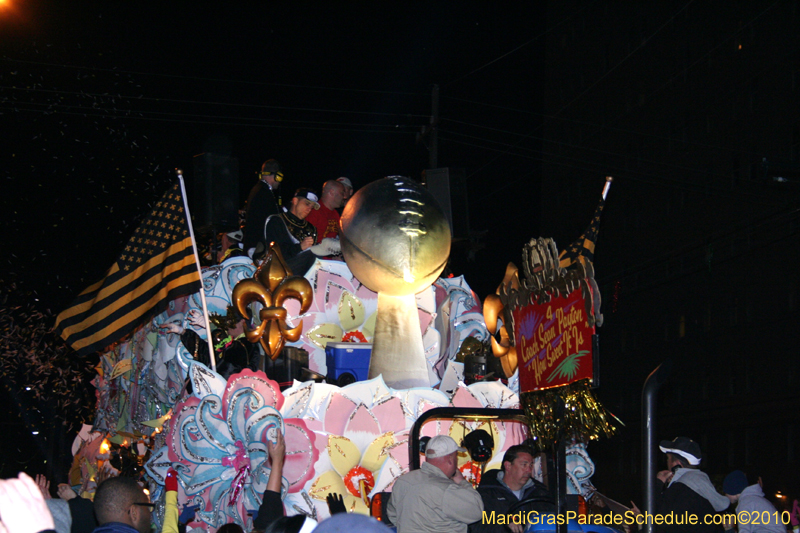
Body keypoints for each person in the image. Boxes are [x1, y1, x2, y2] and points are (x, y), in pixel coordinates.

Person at [387, 435, 484, 533]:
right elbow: (477, 511)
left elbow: (393, 516)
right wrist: (461, 481)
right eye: (456, 456)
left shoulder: (403, 481)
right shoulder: (447, 489)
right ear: (450, 459)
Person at [635, 437, 730, 533]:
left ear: (677, 464)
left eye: (668, 458)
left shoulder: (680, 491)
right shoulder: (703, 487)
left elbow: (657, 524)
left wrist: (658, 485)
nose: (666, 462)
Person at [470, 445, 553, 533]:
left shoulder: (540, 494)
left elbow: (556, 521)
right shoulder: (487, 494)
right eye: (524, 465)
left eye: (531, 465)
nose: (529, 470)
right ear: (508, 466)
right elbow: (476, 527)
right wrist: (504, 526)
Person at [264, 188, 339, 276]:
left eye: (312, 207)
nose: (309, 209)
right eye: (307, 204)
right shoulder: (277, 221)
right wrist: (300, 247)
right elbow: (275, 254)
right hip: (278, 272)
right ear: (295, 201)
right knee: (313, 254)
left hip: (304, 274)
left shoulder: (311, 228)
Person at [243, 159, 284, 253]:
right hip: (257, 247)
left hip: (254, 246)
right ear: (277, 176)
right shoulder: (264, 194)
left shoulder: (258, 190)